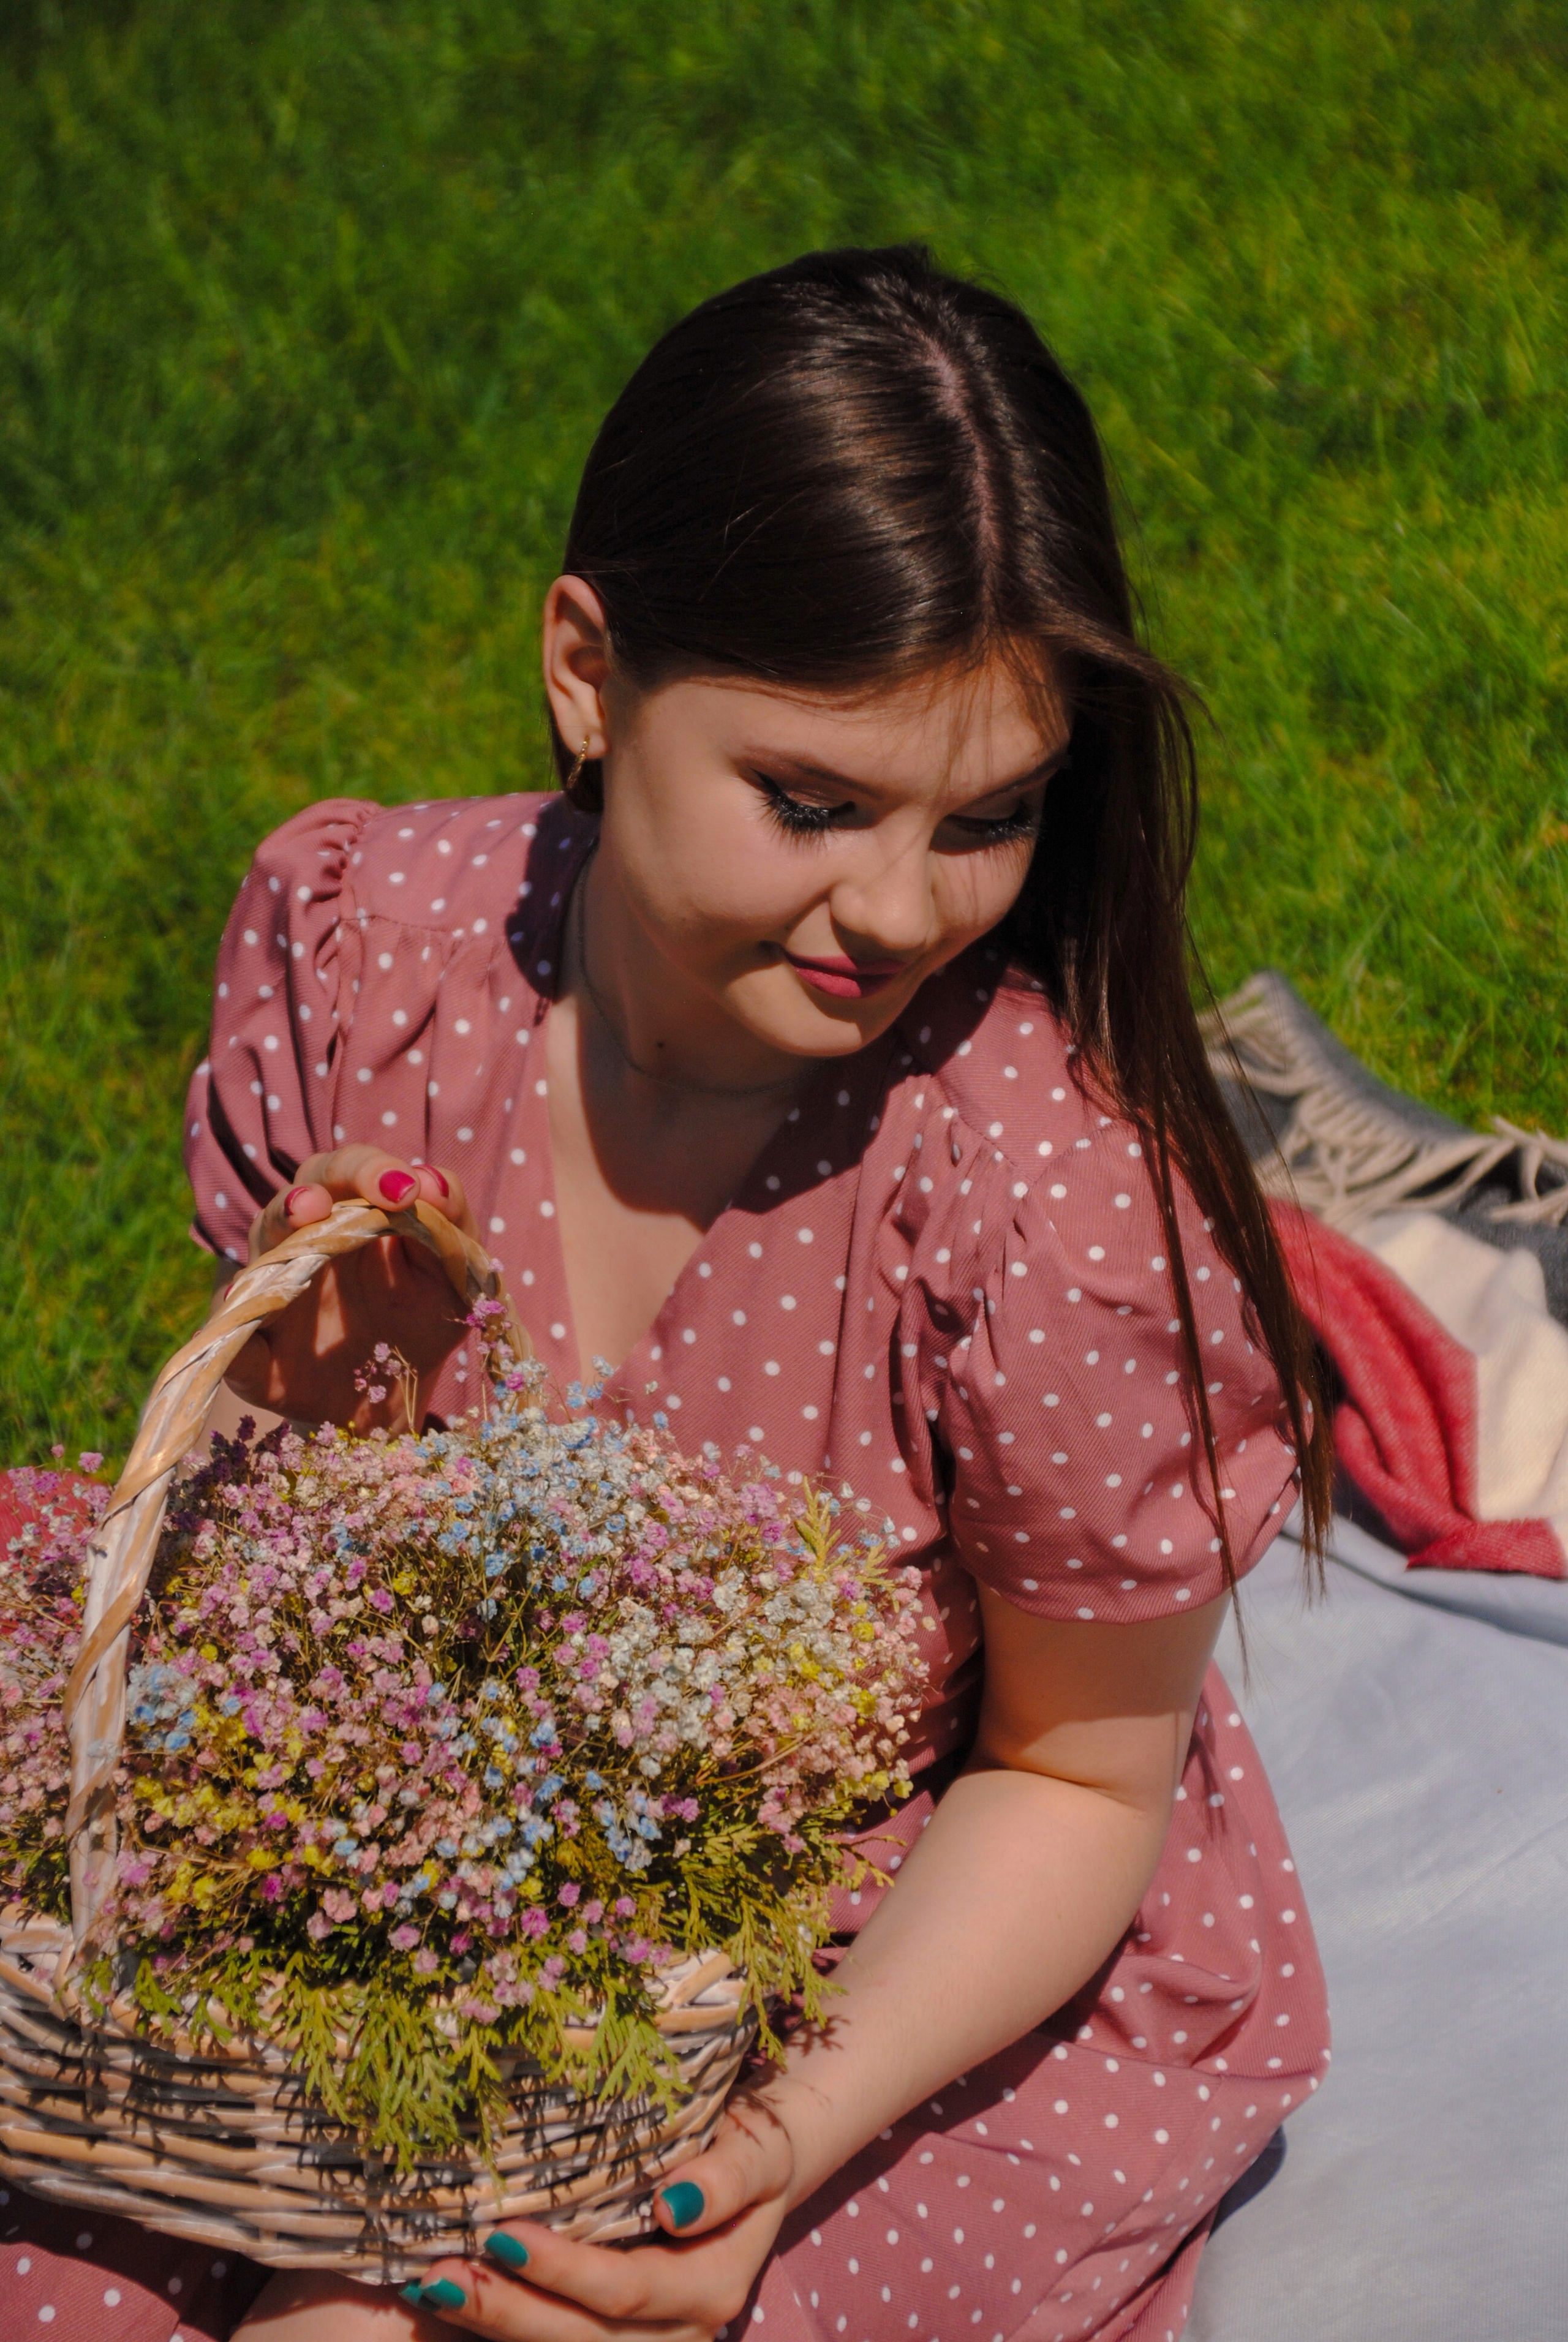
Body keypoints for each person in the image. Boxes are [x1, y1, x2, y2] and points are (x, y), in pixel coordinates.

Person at [2, 246, 1331, 2342]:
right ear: (586, 672)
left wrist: (767, 2154)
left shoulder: (1042, 1203)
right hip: (399, 1890)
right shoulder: (370, 955)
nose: (896, 907)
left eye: (988, 820)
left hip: (869, 1957)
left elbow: (1080, 1779)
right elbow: (248, 1599)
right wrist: (303, 1408)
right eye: (810, 803)